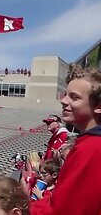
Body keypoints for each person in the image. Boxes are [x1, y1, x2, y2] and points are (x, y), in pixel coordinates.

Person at [31, 64, 101, 214]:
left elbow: (62, 210)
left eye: (74, 97)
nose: (63, 101)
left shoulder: (90, 148)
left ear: (98, 106)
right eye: (65, 94)